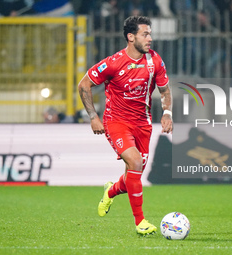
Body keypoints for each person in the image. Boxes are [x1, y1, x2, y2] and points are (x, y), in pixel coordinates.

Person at [78, 16, 173, 235]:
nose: (150, 38)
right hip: (116, 122)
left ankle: (110, 191)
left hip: (143, 124)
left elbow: (165, 90)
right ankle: (140, 222)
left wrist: (167, 113)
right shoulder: (113, 62)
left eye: (150, 33)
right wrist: (93, 116)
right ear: (131, 37)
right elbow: (84, 85)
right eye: (145, 34)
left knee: (134, 172)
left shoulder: (155, 60)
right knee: (135, 161)